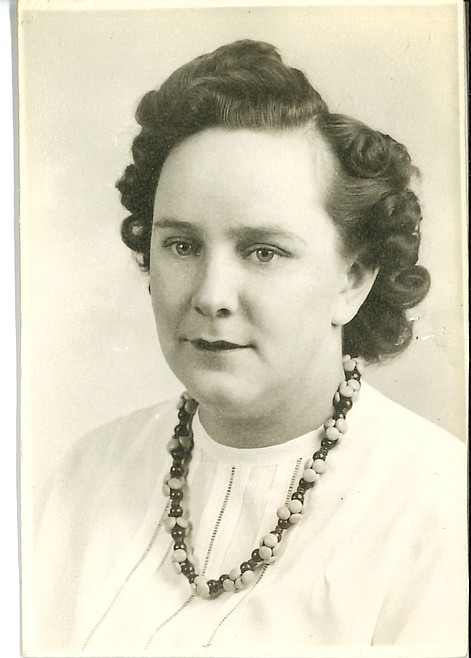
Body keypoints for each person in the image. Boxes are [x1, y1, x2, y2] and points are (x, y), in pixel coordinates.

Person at [31, 40, 467, 656]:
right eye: (182, 245)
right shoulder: (86, 478)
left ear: (352, 279)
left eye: (264, 252)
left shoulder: (438, 510)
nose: (211, 295)